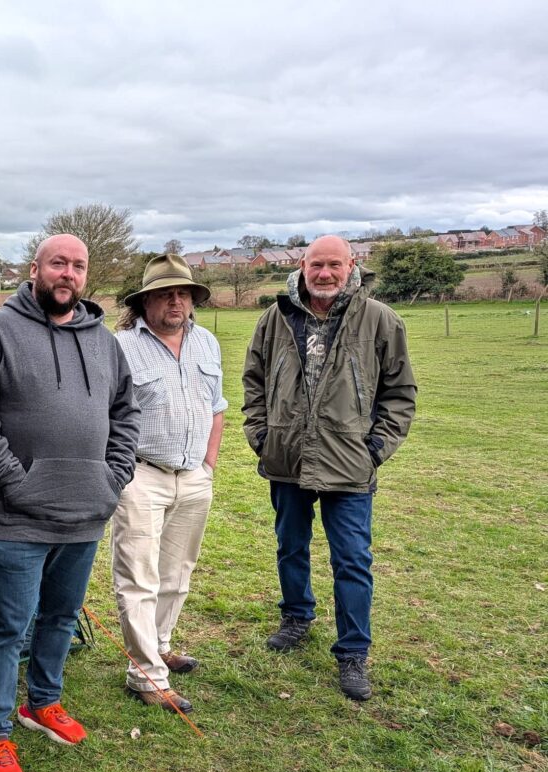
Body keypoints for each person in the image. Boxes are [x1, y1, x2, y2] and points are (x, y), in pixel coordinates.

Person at [0, 234, 141, 772]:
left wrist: (113, 478)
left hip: (86, 513)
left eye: (78, 266)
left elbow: (127, 414)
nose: (68, 274)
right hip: (19, 517)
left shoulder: (105, 342)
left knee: (60, 617)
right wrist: (15, 481)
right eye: (58, 263)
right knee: (7, 628)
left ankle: (44, 702)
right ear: (35, 268)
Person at [241, 235, 416, 701]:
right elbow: (253, 381)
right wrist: (261, 435)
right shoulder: (274, 319)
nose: (324, 274)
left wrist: (375, 448)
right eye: (316, 264)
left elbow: (400, 393)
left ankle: (353, 652)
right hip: (286, 456)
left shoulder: (380, 320)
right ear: (303, 264)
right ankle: (296, 616)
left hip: (349, 461)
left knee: (353, 560)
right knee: (290, 545)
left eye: (334, 265)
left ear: (351, 265)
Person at [110, 254, 225, 714]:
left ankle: (160, 645)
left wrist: (209, 465)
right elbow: (106, 414)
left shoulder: (207, 342)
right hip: (141, 473)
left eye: (183, 293)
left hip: (194, 474)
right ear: (145, 302)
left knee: (177, 574)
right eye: (165, 293)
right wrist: (120, 470)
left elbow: (218, 406)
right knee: (138, 576)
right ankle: (146, 675)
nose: (176, 301)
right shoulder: (119, 347)